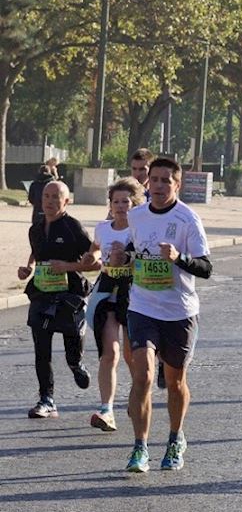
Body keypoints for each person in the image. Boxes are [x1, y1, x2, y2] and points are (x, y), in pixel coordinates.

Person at [123, 157, 212, 472]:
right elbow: (135, 248)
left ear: (177, 184)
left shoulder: (188, 219)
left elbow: (206, 268)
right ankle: (140, 447)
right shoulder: (136, 215)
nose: (159, 186)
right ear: (148, 182)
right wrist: (125, 255)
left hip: (179, 311)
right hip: (142, 306)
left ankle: (175, 437)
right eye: (154, 179)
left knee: (174, 382)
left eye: (165, 181)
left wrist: (179, 257)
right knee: (144, 376)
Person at [20, 179, 93, 419]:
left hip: (69, 295)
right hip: (41, 294)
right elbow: (36, 251)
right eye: (46, 197)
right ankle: (46, 399)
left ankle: (76, 364)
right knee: (41, 349)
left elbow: (95, 260)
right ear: (41, 201)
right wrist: (28, 268)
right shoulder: (36, 228)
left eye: (55, 197)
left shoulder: (73, 227)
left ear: (66, 201)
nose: (50, 201)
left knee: (71, 343)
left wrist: (68, 266)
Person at [86, 178, 145, 431]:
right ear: (110, 205)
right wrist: (92, 257)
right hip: (107, 292)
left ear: (135, 204)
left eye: (126, 202)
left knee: (133, 355)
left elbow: (146, 257)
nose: (120, 207)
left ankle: (137, 399)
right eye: (116, 202)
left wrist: (128, 258)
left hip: (133, 294)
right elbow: (95, 251)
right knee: (110, 353)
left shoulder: (139, 229)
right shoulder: (103, 228)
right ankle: (106, 409)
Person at [26, 161, 56, 226]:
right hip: (51, 208)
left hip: (38, 208)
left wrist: (36, 202)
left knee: (36, 228)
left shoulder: (34, 183)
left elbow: (31, 198)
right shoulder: (53, 184)